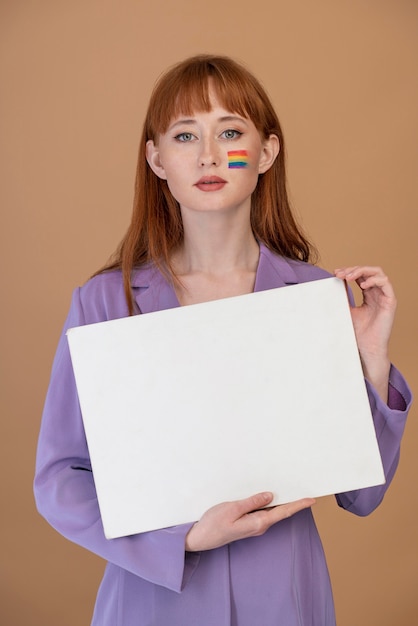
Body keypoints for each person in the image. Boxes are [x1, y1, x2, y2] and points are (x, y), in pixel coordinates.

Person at [34, 54, 412, 626]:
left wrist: (372, 360)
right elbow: (59, 479)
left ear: (266, 152)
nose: (209, 155)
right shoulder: (105, 303)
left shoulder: (311, 296)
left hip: (285, 595)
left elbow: (363, 497)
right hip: (154, 600)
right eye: (186, 135)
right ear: (156, 158)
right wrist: (179, 539)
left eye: (230, 132)